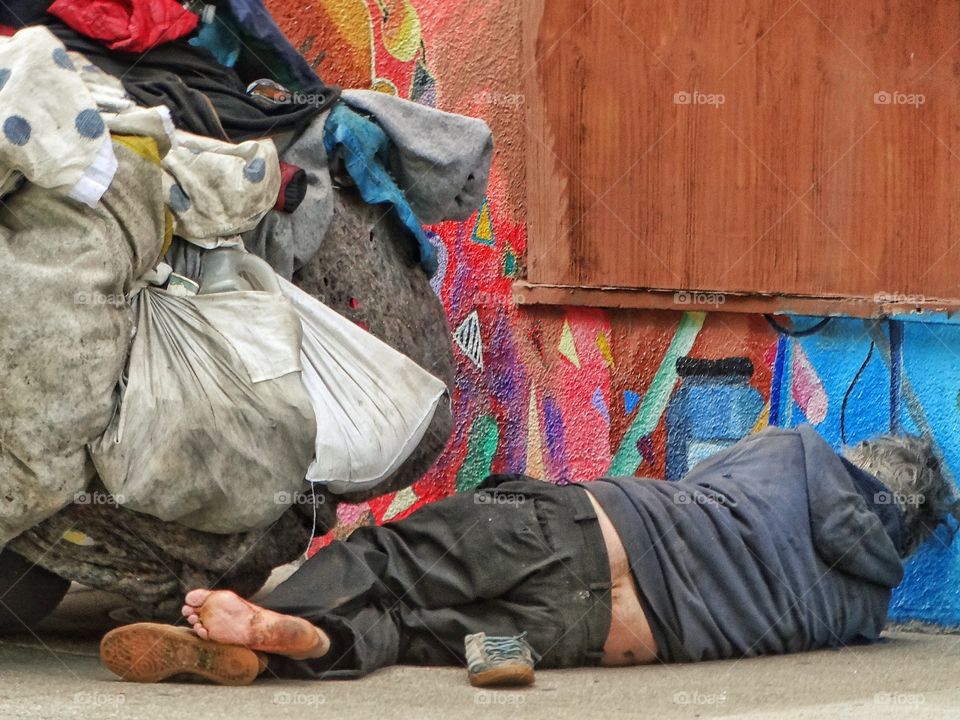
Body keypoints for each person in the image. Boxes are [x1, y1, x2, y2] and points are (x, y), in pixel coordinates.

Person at [100, 425, 959, 686]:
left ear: (865, 462)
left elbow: (697, 486)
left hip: (589, 527)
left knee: (391, 560)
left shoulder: (795, 452)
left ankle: (265, 617)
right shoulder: (863, 614)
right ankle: (308, 643)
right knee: (413, 627)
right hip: (599, 636)